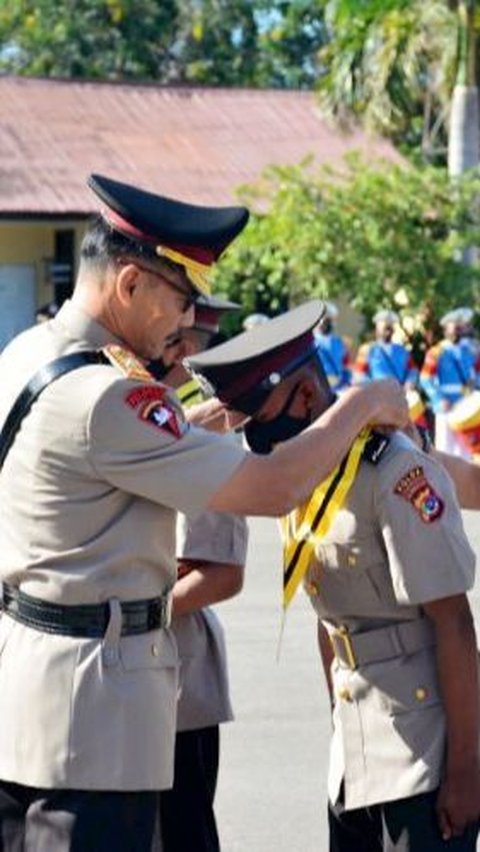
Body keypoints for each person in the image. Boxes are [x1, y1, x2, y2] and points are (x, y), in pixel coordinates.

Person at [0, 175, 408, 851]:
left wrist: (196, 421)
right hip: (94, 722)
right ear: (130, 285)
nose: (187, 323)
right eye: (182, 299)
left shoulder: (28, 355)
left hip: (27, 699)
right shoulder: (114, 398)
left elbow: (90, 460)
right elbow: (273, 486)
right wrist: (362, 405)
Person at [187, 300, 480, 852]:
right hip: (355, 752)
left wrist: (467, 768)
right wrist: (338, 724)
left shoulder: (395, 473)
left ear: (303, 396)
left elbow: (456, 626)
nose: (253, 433)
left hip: (424, 750)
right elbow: (331, 624)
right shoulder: (305, 476)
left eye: (259, 413)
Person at [158, 294, 247, 852]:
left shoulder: (208, 436)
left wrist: (131, 611)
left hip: (178, 683)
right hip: (120, 674)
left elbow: (223, 575)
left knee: (181, 833)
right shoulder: (134, 416)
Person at [420, 308, 480, 457]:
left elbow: (477, 373)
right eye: (455, 328)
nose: (458, 332)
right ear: (446, 329)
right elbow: (425, 379)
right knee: (445, 447)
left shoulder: (470, 350)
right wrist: (439, 399)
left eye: (460, 328)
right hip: (446, 406)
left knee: (466, 450)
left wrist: (475, 384)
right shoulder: (436, 352)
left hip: (467, 403)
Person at [353, 309, 418, 388]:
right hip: (376, 395)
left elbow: (413, 370)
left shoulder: (402, 351)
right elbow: (359, 374)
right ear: (377, 329)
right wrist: (373, 388)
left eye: (390, 329)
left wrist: (409, 383)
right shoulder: (367, 350)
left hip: (398, 394)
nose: (388, 332)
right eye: (385, 328)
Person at [314, 301, 352, 393]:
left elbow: (345, 365)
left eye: (328, 321)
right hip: (318, 384)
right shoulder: (311, 342)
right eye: (322, 320)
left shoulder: (339, 342)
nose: (324, 323)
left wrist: (346, 381)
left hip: (339, 386)